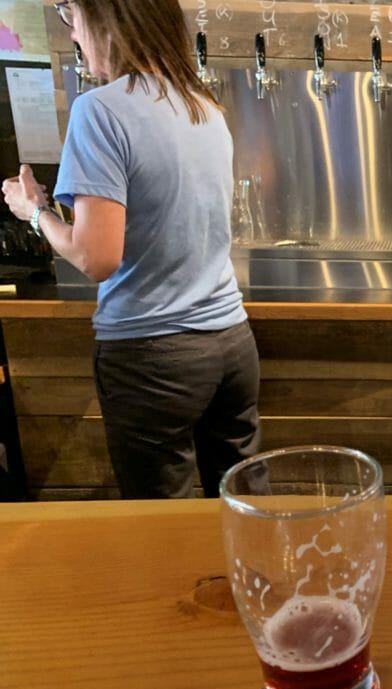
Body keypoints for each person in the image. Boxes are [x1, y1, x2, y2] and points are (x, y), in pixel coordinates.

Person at [1, 0, 261, 498]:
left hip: (153, 354)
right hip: (231, 343)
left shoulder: (99, 110)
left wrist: (35, 211)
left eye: (71, 14)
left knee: (163, 518)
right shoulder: (203, 106)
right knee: (244, 502)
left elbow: (97, 257)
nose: (73, 33)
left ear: (106, 17)